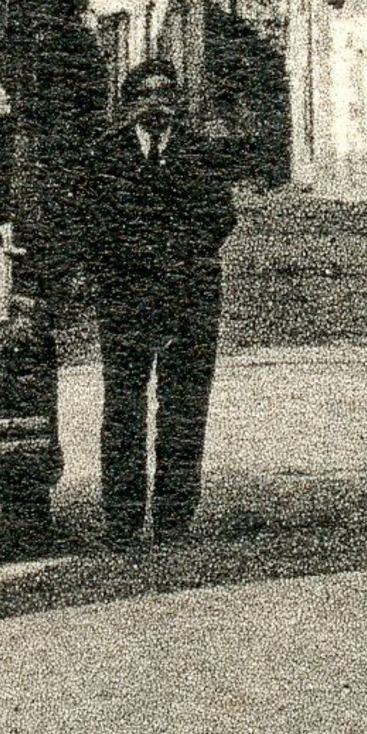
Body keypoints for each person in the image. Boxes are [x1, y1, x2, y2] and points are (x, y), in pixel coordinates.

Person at [76, 58, 239, 548]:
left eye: (165, 91)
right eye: (145, 93)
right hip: (126, 302)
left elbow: (220, 218)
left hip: (189, 300)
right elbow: (92, 225)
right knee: (123, 407)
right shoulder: (104, 156)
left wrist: (177, 254)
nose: (156, 101)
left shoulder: (201, 155)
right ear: (129, 104)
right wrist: (129, 260)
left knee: (184, 410)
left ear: (178, 101)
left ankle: (174, 518)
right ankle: (122, 519)